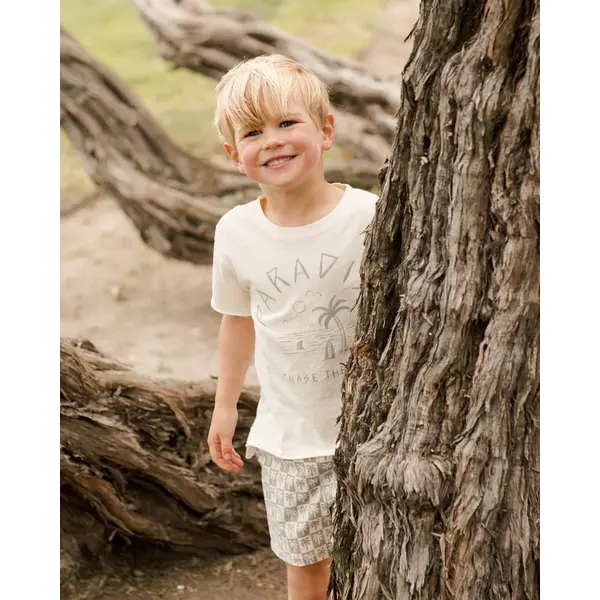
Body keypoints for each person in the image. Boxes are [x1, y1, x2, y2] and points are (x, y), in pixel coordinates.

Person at [208, 53, 378, 600]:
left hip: (378, 429)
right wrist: (225, 406)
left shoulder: (370, 215)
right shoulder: (236, 232)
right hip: (291, 439)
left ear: (325, 131)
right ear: (235, 156)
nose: (273, 141)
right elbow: (237, 320)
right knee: (306, 566)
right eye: (253, 132)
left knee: (385, 553)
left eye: (287, 122)